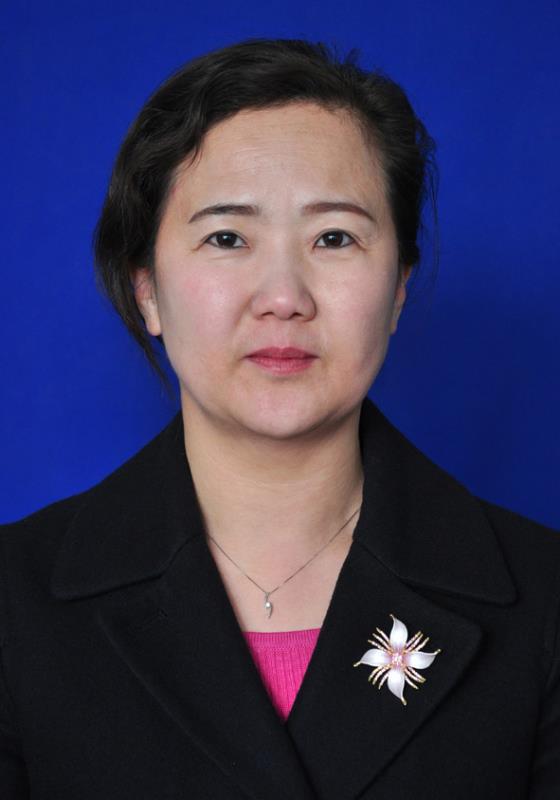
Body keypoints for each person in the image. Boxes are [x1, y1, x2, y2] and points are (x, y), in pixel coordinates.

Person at [0, 37, 558, 800]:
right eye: (227, 237)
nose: (284, 297)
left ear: (398, 289)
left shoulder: (545, 599)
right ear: (147, 290)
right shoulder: (14, 601)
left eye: (334, 238)